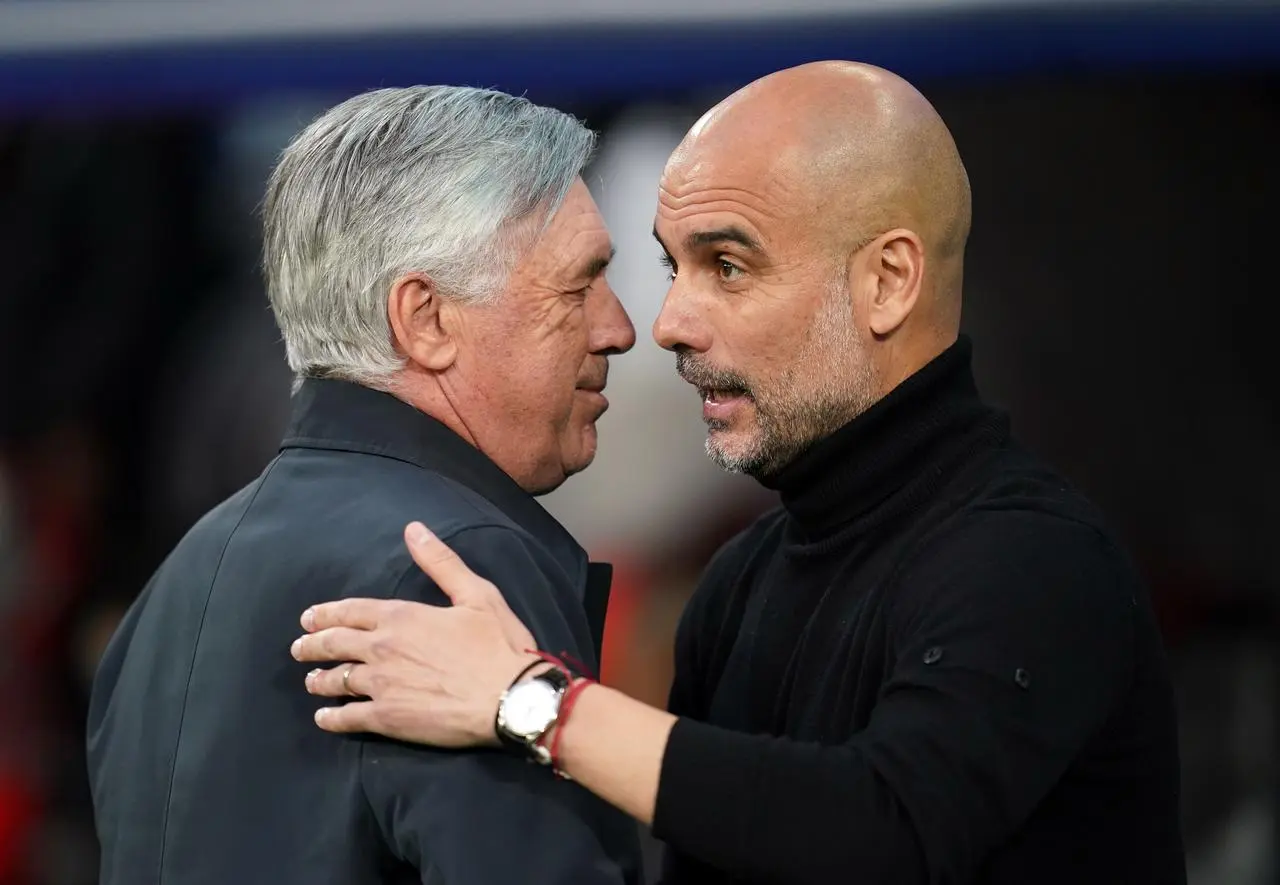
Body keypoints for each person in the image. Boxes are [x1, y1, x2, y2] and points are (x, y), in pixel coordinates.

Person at [290, 62, 1187, 885]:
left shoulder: (1036, 559)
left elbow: (890, 830)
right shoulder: (738, 585)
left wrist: (532, 704)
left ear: (888, 281)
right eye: (672, 266)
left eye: (727, 265)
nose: (668, 322)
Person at [87, 85, 644, 884]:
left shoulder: (176, 581)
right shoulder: (459, 569)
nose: (618, 328)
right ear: (425, 318)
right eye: (577, 285)